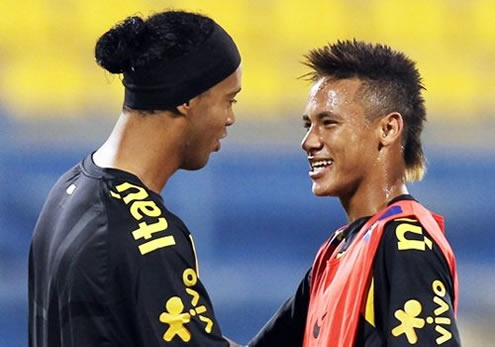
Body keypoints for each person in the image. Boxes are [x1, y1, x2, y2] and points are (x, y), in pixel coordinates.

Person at [28, 10, 242, 347]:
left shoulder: (68, 190)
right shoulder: (146, 238)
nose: (230, 118)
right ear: (188, 99)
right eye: (228, 100)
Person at [249, 40, 460, 346]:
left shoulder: (405, 244)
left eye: (328, 123)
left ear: (387, 129)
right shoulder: (335, 253)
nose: (308, 142)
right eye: (308, 125)